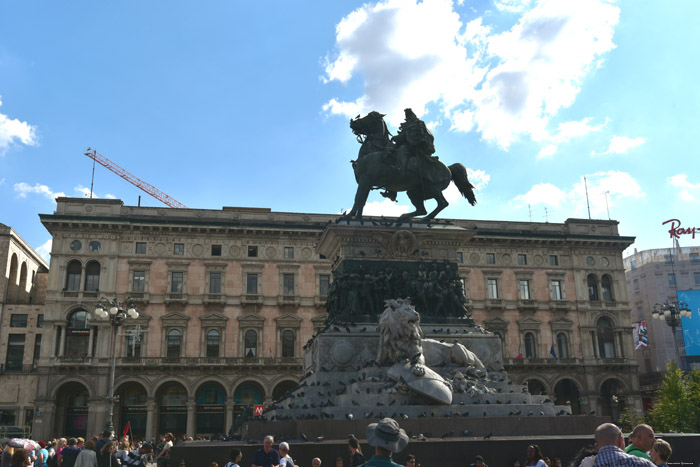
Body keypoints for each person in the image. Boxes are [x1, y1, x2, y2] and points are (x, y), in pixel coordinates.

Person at [590, 422, 655, 467]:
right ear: (620, 441)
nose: (654, 440)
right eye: (650, 436)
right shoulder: (641, 463)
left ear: (596, 447)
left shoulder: (588, 464)